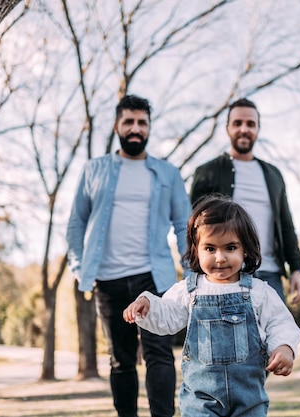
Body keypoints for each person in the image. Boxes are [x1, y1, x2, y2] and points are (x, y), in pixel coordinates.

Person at [66, 95, 191, 417]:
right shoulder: (94, 169)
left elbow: (184, 225)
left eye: (142, 123)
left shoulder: (168, 173)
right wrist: (82, 270)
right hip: (107, 279)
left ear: (149, 127)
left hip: (155, 276)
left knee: (159, 355)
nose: (135, 129)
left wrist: (192, 273)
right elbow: (77, 222)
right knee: (120, 360)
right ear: (117, 126)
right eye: (129, 122)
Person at [123, 195, 300, 417]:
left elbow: (280, 323)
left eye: (230, 247)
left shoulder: (258, 292)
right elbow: (167, 316)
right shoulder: (188, 291)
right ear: (196, 250)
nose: (220, 257)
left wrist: (284, 347)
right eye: (210, 248)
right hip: (201, 400)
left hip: (249, 398)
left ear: (244, 249)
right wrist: (148, 304)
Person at [189, 97, 300, 304]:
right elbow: (192, 228)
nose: (244, 129)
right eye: (238, 123)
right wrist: (194, 273)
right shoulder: (207, 172)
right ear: (227, 128)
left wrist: (296, 268)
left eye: (250, 124)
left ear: (258, 129)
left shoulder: (273, 175)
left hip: (270, 275)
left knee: (278, 335)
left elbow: (286, 225)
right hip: (225, 276)